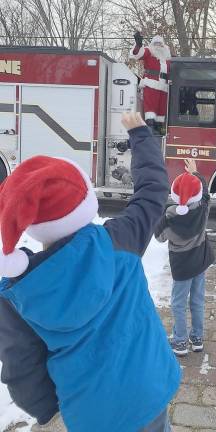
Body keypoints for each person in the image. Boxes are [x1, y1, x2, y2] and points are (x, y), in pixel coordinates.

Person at [0, 113, 181, 432]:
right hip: (150, 390)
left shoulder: (19, 291)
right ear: (85, 199)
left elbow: (22, 369)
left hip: (91, 416)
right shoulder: (121, 240)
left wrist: (52, 410)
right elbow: (153, 190)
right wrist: (140, 134)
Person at [155, 159, 214, 356]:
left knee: (178, 303)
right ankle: (197, 338)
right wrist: (196, 174)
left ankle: (180, 341)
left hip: (182, 266)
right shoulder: (202, 210)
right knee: (197, 300)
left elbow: (159, 237)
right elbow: (205, 195)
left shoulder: (169, 218)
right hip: (200, 260)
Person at [129, 32, 171, 132]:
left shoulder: (167, 57)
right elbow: (138, 54)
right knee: (151, 108)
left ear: (163, 45)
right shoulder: (149, 51)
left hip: (164, 86)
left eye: (160, 44)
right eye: (156, 44)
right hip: (151, 83)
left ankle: (159, 128)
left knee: (162, 108)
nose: (158, 46)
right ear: (152, 44)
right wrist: (138, 44)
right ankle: (150, 127)